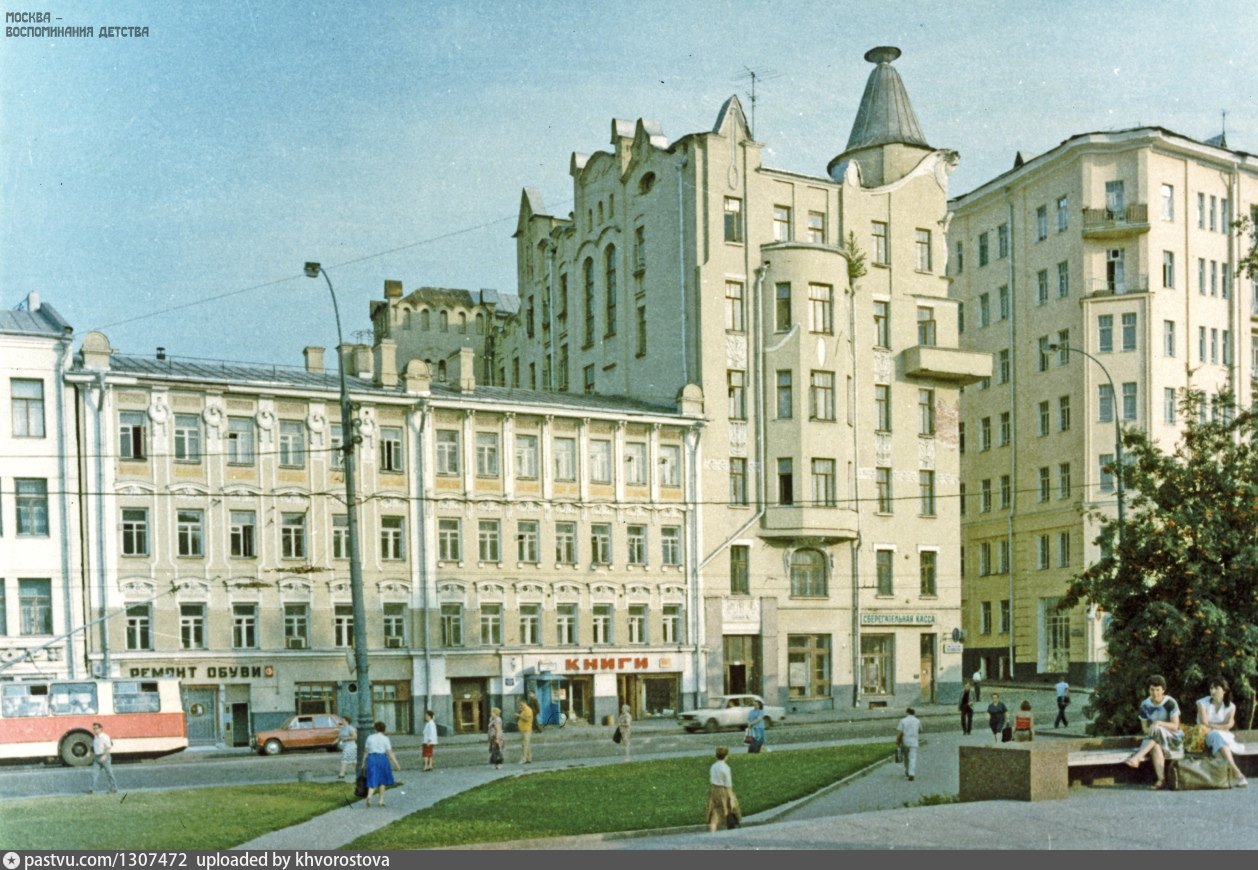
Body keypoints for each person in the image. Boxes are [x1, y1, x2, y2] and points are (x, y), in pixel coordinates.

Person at [1125, 674, 1181, 789]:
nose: (1155, 693)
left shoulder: (1170, 703)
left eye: (1158, 690)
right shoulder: (1145, 705)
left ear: (1163, 690)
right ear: (1148, 690)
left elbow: (1175, 726)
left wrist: (1159, 723)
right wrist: (1151, 729)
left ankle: (1137, 757)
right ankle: (1161, 780)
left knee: (1158, 729)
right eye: (1152, 690)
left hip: (1173, 738)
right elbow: (1145, 728)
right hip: (1154, 738)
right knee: (1155, 746)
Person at [1195, 677, 1248, 787]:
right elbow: (1204, 723)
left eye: (1216, 688)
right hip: (1204, 735)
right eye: (1211, 688)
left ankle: (1232, 775)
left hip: (1222, 735)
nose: (1212, 691)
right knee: (1217, 735)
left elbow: (1228, 726)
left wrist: (1214, 726)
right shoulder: (1202, 703)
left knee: (1218, 737)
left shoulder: (1231, 707)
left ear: (1224, 690)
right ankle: (1236, 772)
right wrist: (1221, 726)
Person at [363, 721, 400, 808]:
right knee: (382, 780)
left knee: (373, 778)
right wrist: (396, 764)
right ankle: (381, 800)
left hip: (372, 758)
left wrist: (364, 761)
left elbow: (366, 751)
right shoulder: (385, 738)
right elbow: (389, 752)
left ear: (375, 728)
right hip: (382, 758)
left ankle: (369, 795)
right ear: (384, 729)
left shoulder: (369, 737)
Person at [705, 746, 740, 832]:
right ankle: (730, 829)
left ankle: (712, 832)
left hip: (714, 789)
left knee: (715, 811)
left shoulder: (713, 766)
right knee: (727, 809)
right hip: (723, 790)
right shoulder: (726, 768)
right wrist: (731, 798)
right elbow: (728, 785)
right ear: (726, 756)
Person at [89, 722, 118, 794]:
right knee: (94, 773)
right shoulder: (95, 737)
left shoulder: (105, 737)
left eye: (96, 728)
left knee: (109, 773)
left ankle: (114, 788)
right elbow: (94, 747)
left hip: (105, 757)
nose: (94, 730)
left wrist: (104, 755)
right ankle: (92, 789)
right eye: (93, 728)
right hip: (97, 757)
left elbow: (108, 747)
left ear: (100, 729)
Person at [896, 707, 922, 780]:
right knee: (913, 758)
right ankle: (912, 773)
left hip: (905, 741)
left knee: (906, 757)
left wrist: (897, 741)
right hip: (914, 741)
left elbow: (900, 732)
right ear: (914, 713)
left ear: (907, 712)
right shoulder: (917, 721)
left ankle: (907, 770)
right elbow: (920, 730)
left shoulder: (903, 721)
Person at [516, 698, 534, 764]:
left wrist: (519, 715)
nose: (520, 706)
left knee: (525, 745)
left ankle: (523, 759)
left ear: (525, 703)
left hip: (526, 729)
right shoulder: (524, 710)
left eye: (521, 704)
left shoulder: (528, 710)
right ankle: (529, 758)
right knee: (527, 744)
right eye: (520, 705)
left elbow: (527, 719)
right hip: (524, 729)